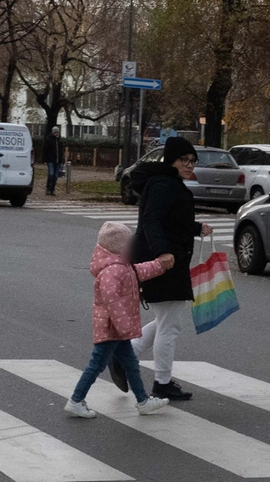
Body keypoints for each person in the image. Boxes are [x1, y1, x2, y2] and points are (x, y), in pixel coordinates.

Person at [121, 136, 213, 402]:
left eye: (192, 161)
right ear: (171, 160)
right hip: (162, 261)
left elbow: (171, 220)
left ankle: (124, 355)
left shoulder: (169, 183)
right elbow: (152, 220)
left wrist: (196, 228)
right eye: (184, 160)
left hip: (166, 259)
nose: (189, 165)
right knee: (170, 325)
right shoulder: (164, 184)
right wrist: (162, 253)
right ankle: (161, 382)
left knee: (166, 319)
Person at [65, 221, 174, 419]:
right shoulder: (112, 271)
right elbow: (112, 301)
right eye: (130, 243)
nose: (134, 246)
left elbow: (140, 271)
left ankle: (142, 401)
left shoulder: (123, 266)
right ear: (120, 247)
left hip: (118, 331)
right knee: (97, 365)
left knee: (130, 363)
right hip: (112, 330)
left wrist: (159, 266)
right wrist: (124, 326)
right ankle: (75, 401)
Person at [43, 126, 64, 195]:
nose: (56, 134)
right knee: (51, 174)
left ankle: (52, 189)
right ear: (53, 132)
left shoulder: (59, 140)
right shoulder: (49, 139)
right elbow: (45, 149)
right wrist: (45, 159)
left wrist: (61, 160)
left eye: (57, 132)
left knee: (55, 176)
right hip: (51, 160)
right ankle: (48, 188)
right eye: (55, 132)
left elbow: (61, 151)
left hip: (58, 161)